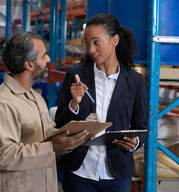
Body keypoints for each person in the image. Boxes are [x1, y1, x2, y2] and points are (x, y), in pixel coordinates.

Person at [0, 32, 89, 192]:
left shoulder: (36, 98)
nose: (48, 60)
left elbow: (42, 137)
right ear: (29, 65)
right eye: (44, 55)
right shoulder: (2, 104)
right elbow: (3, 157)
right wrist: (52, 146)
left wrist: (68, 138)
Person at [55, 13, 147, 192]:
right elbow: (60, 122)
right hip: (79, 171)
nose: (91, 49)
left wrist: (135, 142)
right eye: (87, 43)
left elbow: (142, 126)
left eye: (96, 42)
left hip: (116, 173)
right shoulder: (75, 75)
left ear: (115, 40)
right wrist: (74, 103)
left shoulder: (134, 81)